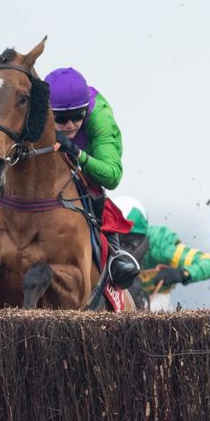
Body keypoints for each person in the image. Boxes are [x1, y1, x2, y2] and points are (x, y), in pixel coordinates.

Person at [44, 67, 140, 288]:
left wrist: (77, 154)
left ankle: (115, 257)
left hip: (86, 183)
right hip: (43, 178)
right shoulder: (32, 110)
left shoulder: (100, 117)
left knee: (96, 193)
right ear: (46, 112)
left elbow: (112, 176)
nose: (70, 125)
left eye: (77, 116)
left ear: (86, 109)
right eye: (60, 118)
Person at [113, 196, 210, 311]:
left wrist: (181, 273)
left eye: (130, 240)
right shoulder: (99, 246)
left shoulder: (160, 244)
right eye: (118, 240)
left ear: (144, 235)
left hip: (153, 300)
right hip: (116, 295)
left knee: (156, 309)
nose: (124, 248)